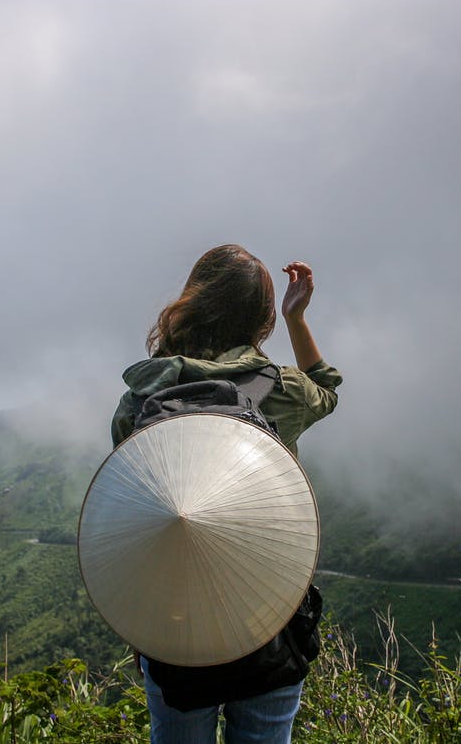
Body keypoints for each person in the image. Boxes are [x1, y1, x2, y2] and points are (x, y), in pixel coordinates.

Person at [110, 243, 342, 743]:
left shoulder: (142, 399)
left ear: (192, 301)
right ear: (259, 320)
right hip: (270, 612)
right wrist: (297, 318)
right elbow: (327, 386)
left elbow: (135, 515)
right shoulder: (284, 390)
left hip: (175, 621)